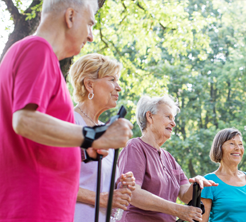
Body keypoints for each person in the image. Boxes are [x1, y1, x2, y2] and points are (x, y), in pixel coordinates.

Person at [0, 0, 133, 221]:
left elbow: (30, 142)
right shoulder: (38, 49)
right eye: (90, 24)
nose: (91, 36)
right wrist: (95, 136)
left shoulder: (28, 52)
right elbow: (24, 121)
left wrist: (83, 151)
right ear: (70, 17)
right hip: (34, 208)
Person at [118, 95, 218, 222]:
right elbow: (133, 194)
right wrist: (177, 210)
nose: (173, 123)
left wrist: (197, 184)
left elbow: (185, 195)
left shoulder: (169, 158)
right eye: (168, 117)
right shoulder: (135, 147)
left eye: (174, 118)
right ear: (150, 117)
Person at [69, 53, 136, 221]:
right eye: (112, 80)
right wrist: (100, 199)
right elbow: (53, 180)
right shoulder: (68, 122)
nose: (119, 87)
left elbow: (101, 187)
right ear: (89, 85)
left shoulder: (105, 131)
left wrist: (121, 184)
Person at [201, 128, 246, 222]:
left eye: (240, 144)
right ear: (219, 147)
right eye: (232, 143)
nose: (238, 148)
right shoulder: (208, 181)